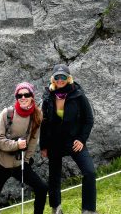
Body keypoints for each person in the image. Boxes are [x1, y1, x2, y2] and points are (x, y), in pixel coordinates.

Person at [40, 64, 97, 214]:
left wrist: (81, 139)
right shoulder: (47, 96)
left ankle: (88, 210)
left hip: (74, 141)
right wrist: (43, 146)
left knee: (90, 172)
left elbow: (89, 119)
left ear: (69, 78)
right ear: (53, 79)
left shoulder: (78, 95)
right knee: (54, 177)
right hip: (54, 142)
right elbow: (44, 123)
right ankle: (56, 208)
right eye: (57, 77)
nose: (60, 79)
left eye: (63, 76)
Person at [0, 82, 48, 214]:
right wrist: (16, 145)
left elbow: (33, 140)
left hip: (19, 164)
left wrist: (26, 160)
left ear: (32, 96)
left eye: (26, 94)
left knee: (42, 188)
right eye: (19, 95)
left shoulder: (37, 115)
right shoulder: (6, 113)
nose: (23, 97)